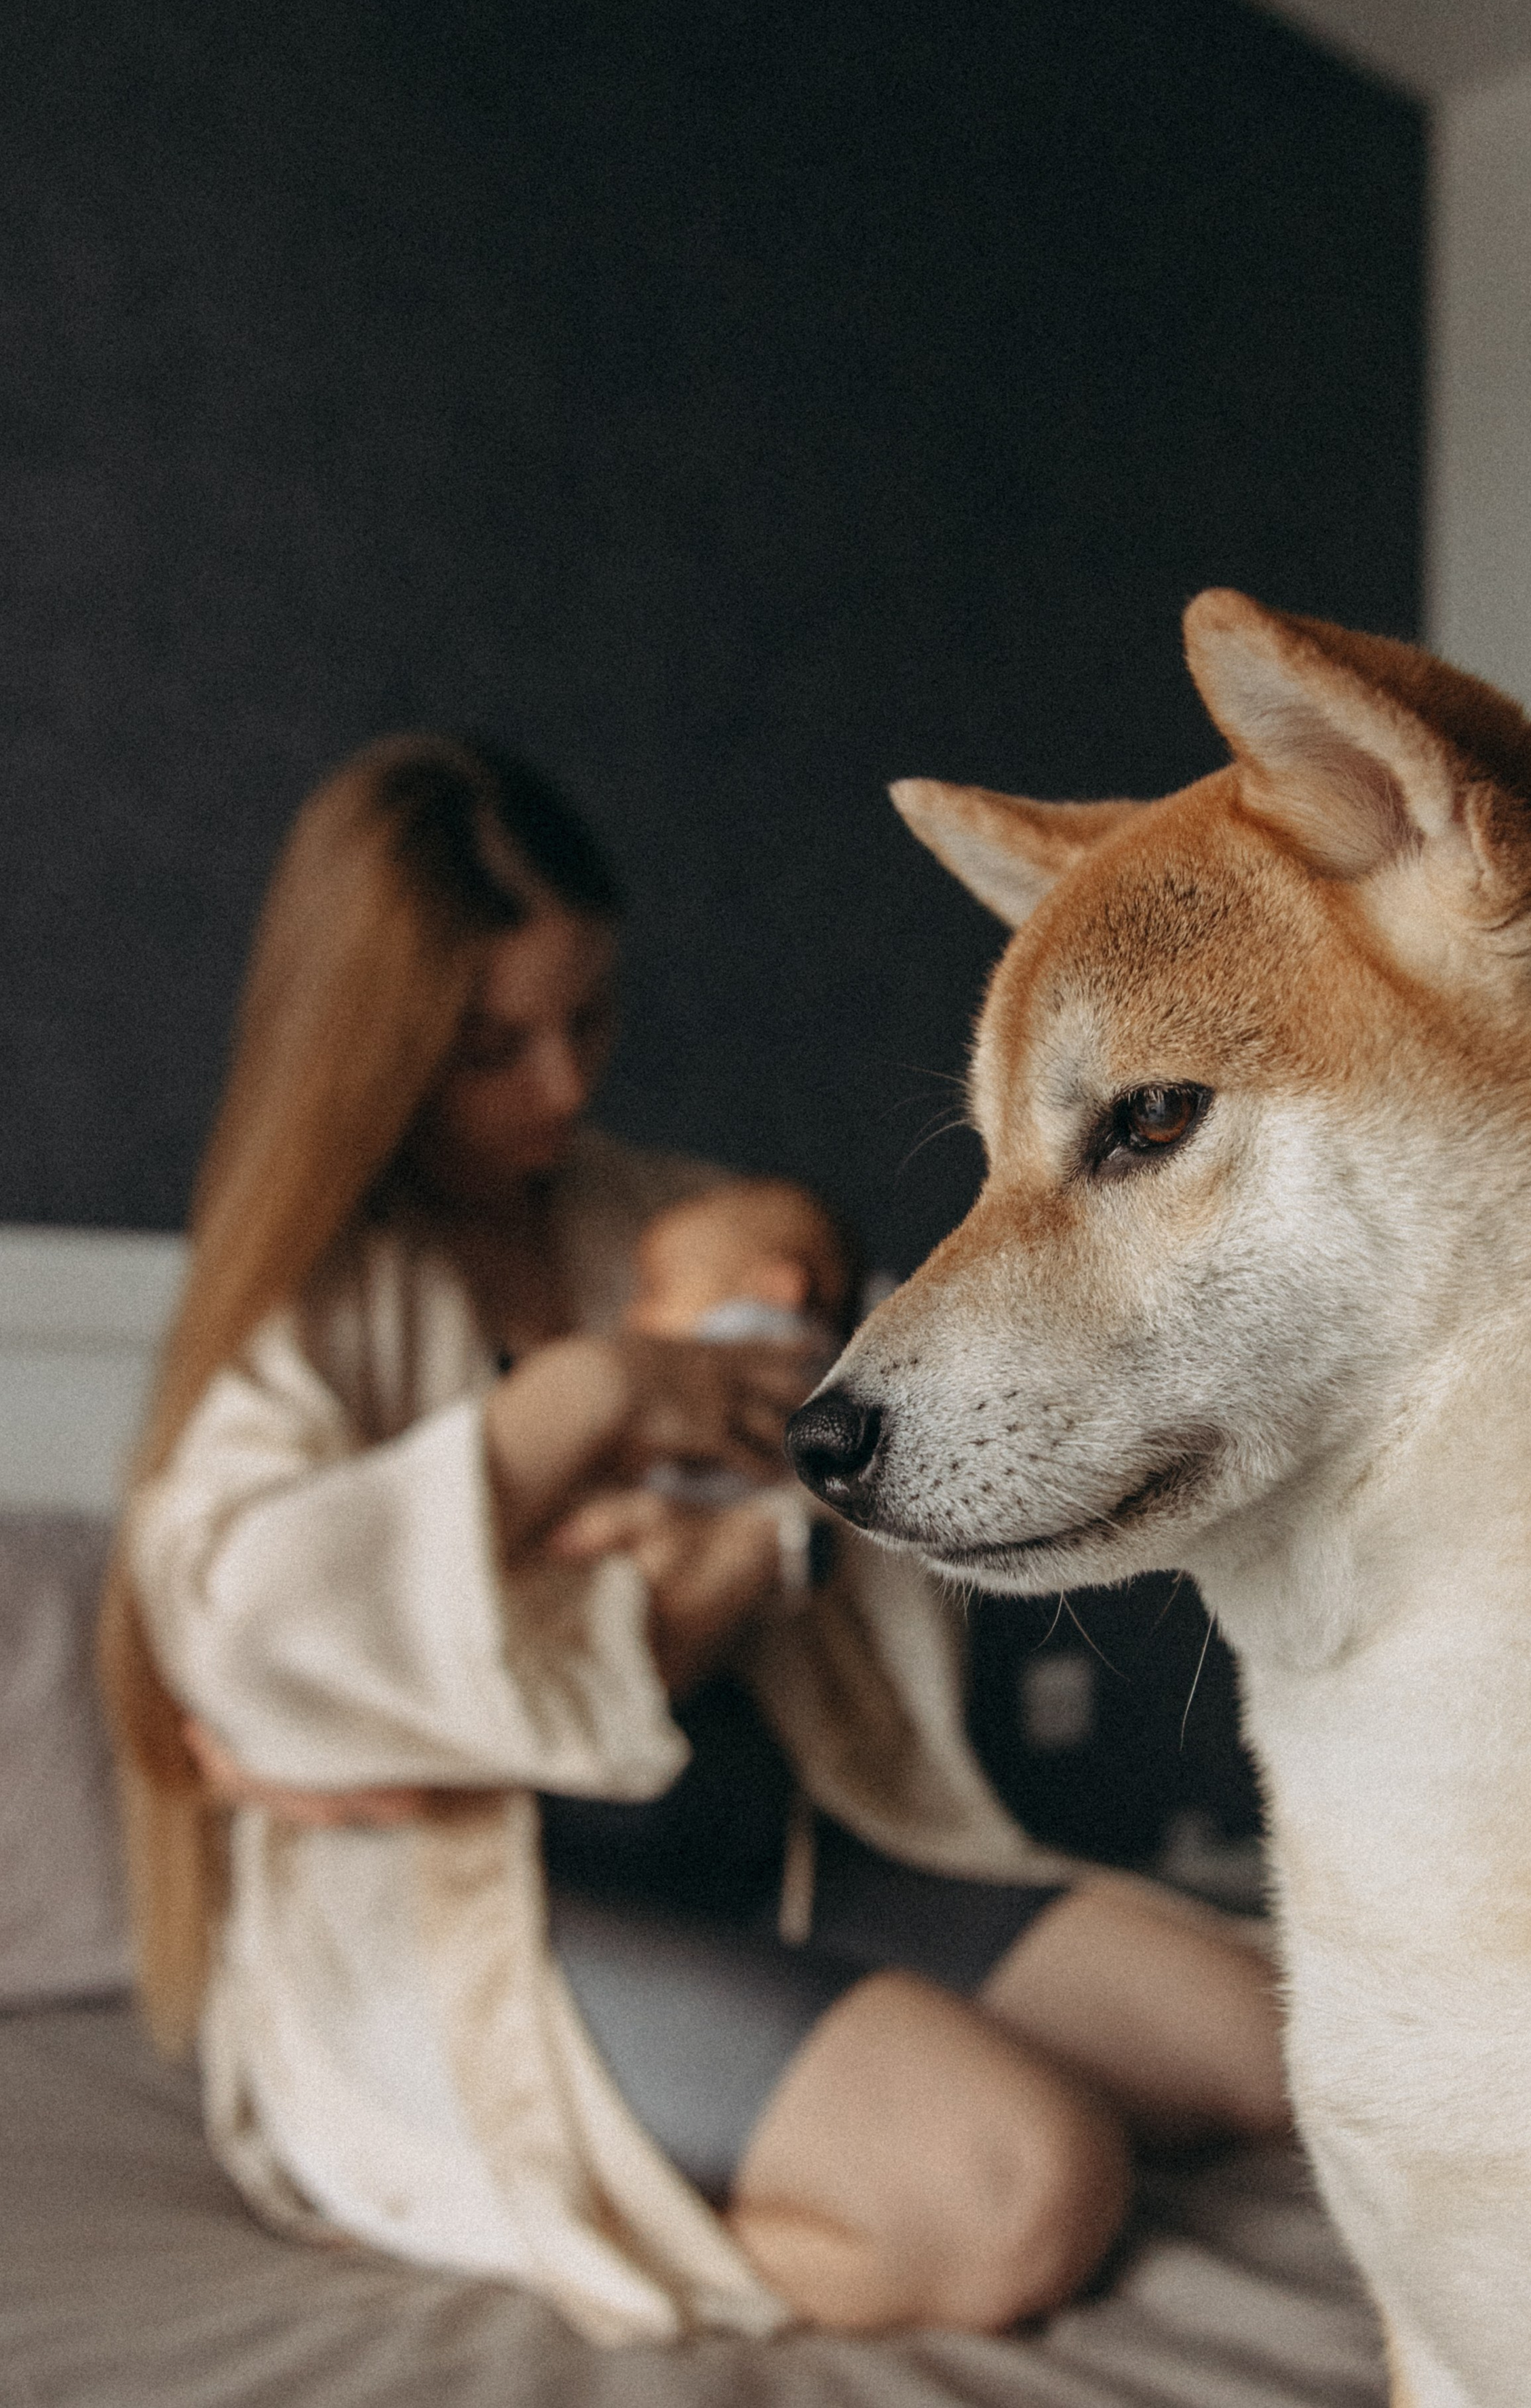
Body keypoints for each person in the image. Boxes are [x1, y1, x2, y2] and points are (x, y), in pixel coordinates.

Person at [102, 733, 1287, 2350]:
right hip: (502, 1896)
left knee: (1279, 2036)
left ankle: (841, 2062)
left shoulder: (678, 1215)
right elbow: (239, 1638)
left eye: (584, 1017)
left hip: (777, 1833)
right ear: (368, 1047)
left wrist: (731, 1546)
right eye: (488, 1046)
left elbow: (858, 1497)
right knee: (1023, 2191)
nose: (564, 1085)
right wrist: (585, 1400)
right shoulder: (315, 1303)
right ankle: (612, 2196)